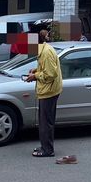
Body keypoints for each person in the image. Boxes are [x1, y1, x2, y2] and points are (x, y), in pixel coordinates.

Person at [26, 29, 63, 158]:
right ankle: (45, 146)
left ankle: (47, 150)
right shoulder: (44, 50)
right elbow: (48, 68)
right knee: (46, 121)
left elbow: (51, 74)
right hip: (49, 89)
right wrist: (36, 69)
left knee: (45, 122)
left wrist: (35, 76)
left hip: (49, 91)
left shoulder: (46, 52)